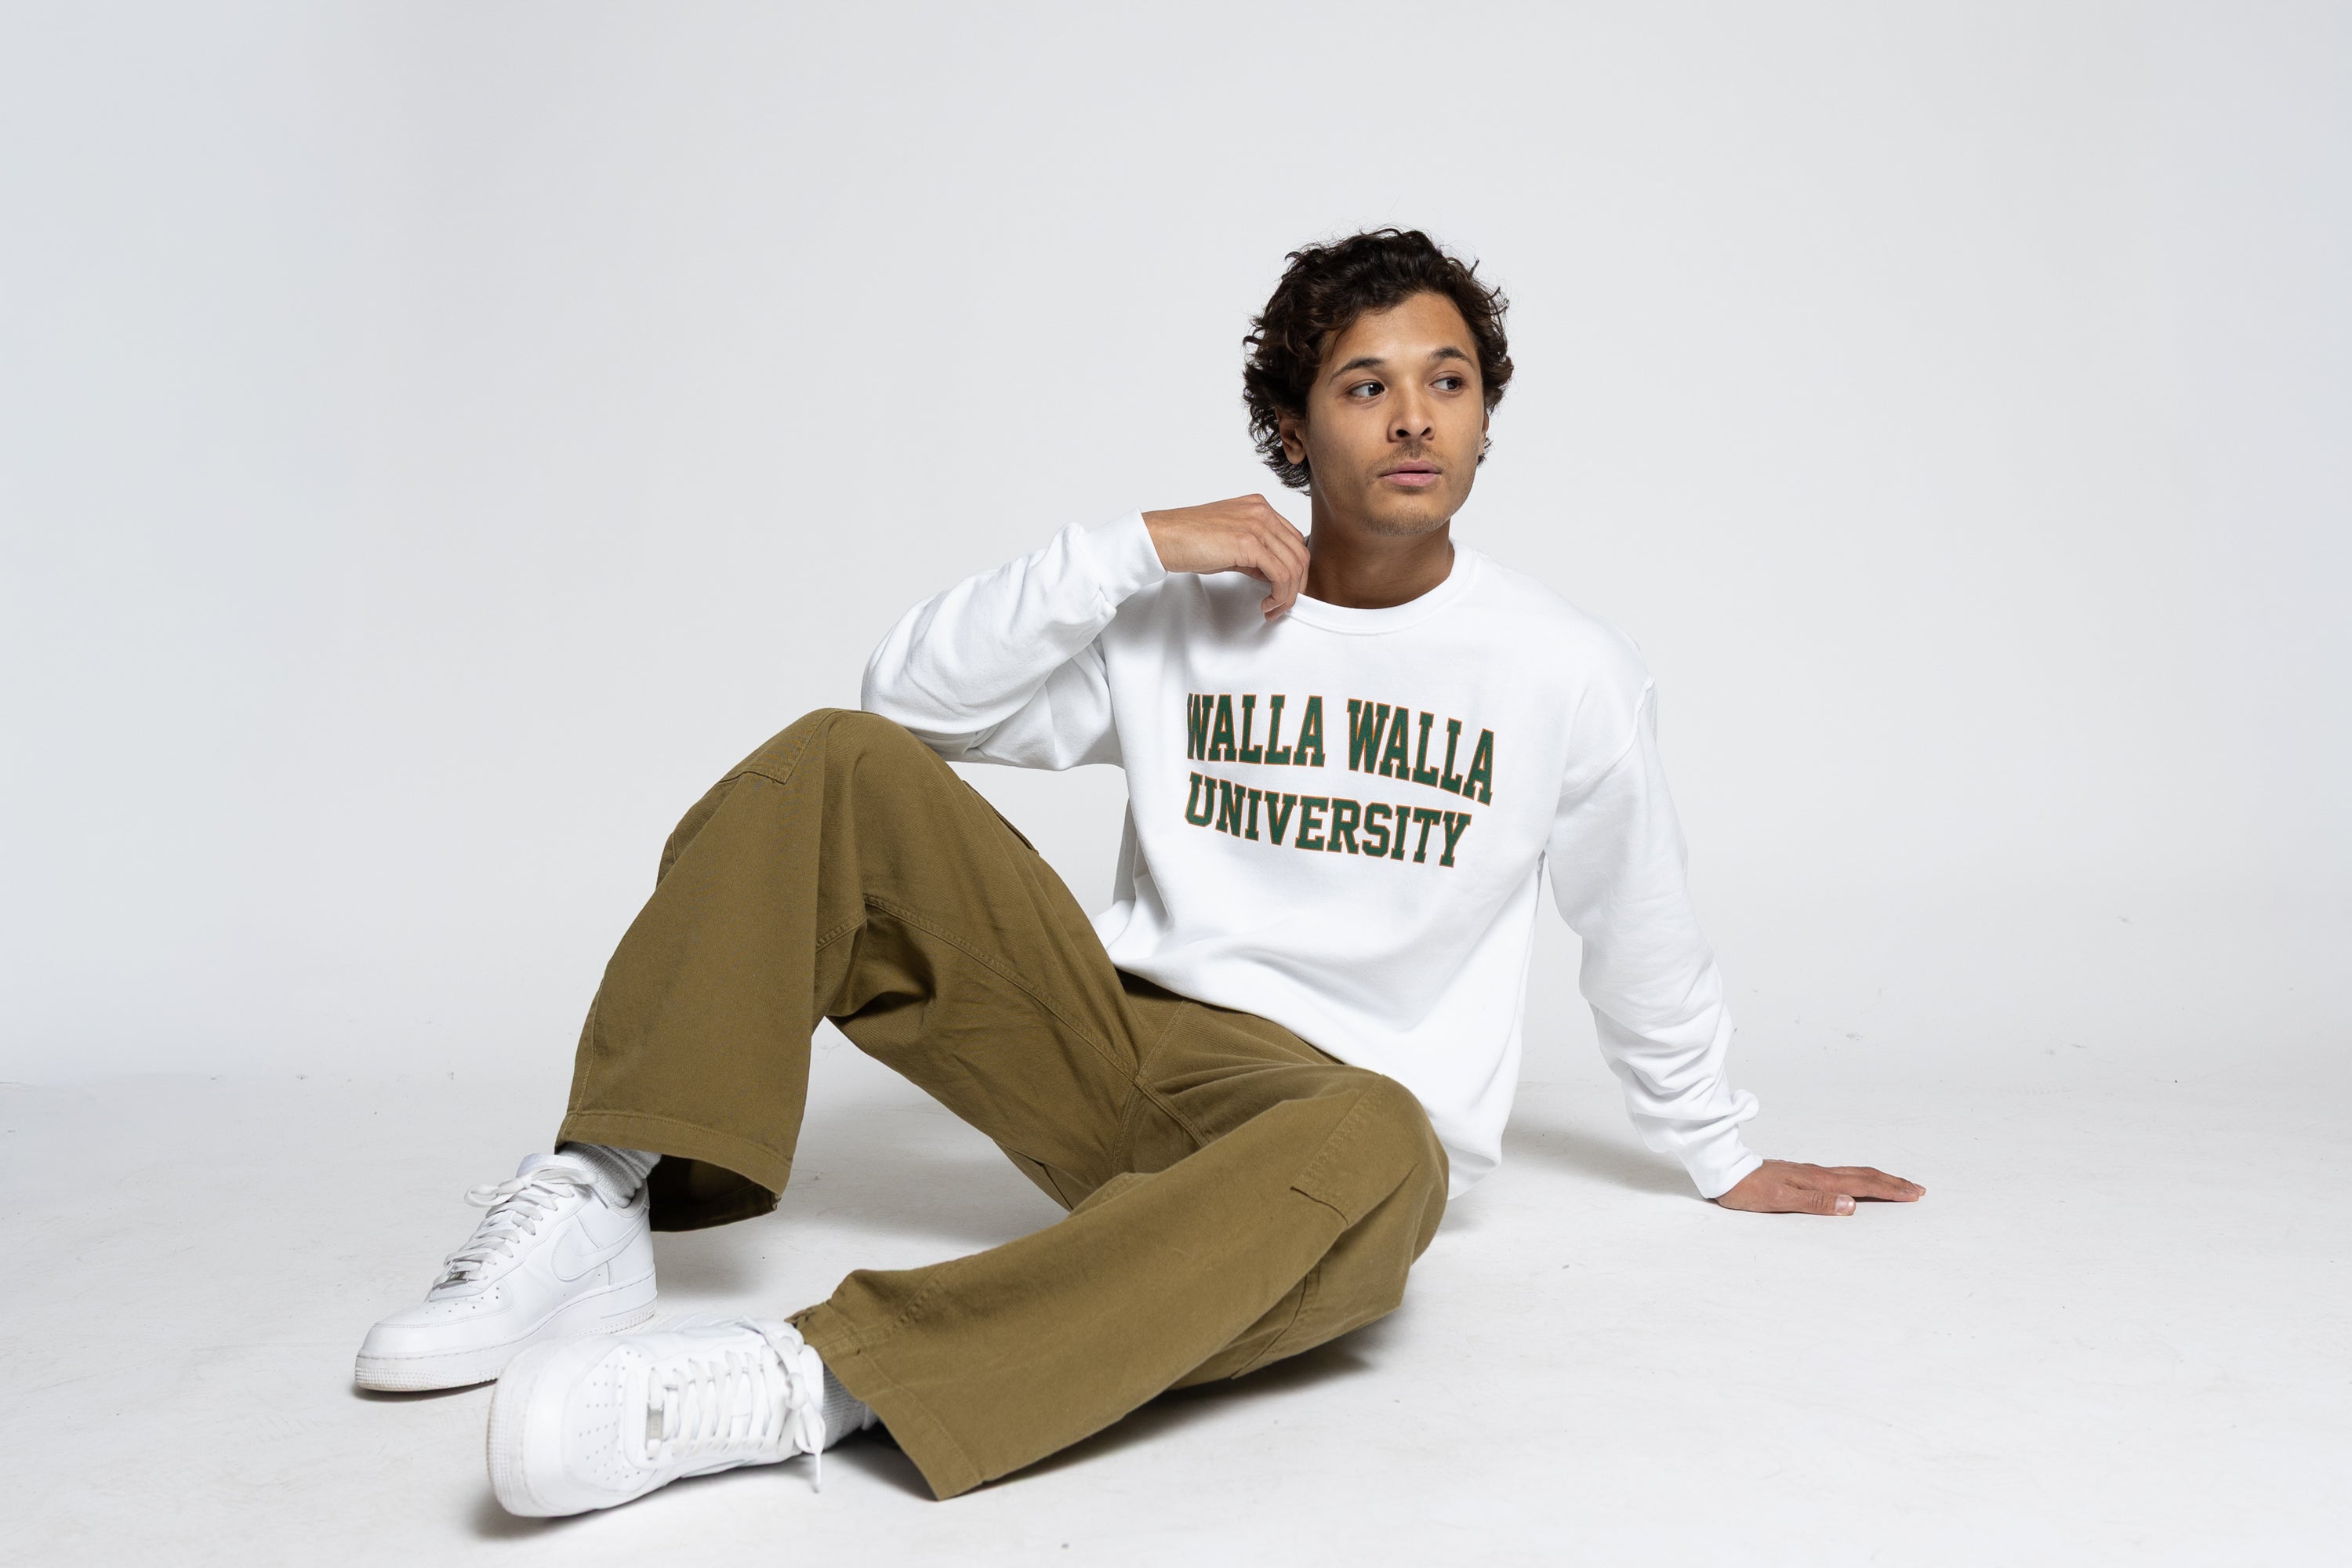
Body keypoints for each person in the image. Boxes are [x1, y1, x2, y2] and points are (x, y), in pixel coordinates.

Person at [356, 227, 1923, 1517]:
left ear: (1486, 416)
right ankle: (599, 1196)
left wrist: (1717, 1143)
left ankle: (810, 1383)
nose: (1413, 419)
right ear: (1292, 430)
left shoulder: (1561, 668)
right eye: (1367, 385)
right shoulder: (1193, 613)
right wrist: (1131, 550)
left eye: (1447, 382)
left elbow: (1634, 911)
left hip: (1319, 1137)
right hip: (1104, 1042)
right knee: (832, 757)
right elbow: (910, 701)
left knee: (1390, 1142)